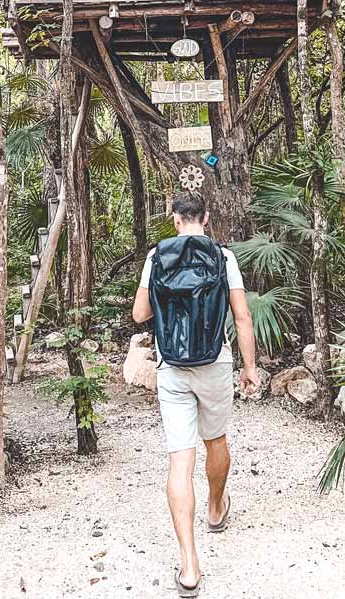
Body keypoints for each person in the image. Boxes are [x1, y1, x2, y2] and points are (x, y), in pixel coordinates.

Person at [132, 190, 259, 597]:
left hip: (172, 368)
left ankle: (189, 566)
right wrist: (251, 368)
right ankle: (217, 507)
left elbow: (139, 315)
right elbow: (241, 315)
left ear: (174, 220)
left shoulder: (156, 257)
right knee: (216, 440)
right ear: (206, 219)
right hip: (215, 362)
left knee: (179, 463)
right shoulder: (224, 258)